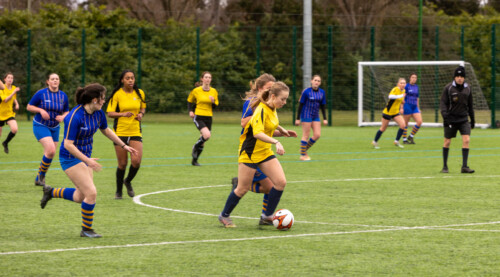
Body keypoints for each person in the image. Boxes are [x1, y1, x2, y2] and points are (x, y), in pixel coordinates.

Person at [40, 83, 138, 238]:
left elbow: (106, 130)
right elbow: (68, 144)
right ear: (94, 100)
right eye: (102, 98)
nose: (104, 101)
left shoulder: (98, 113)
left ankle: (51, 192)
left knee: (81, 197)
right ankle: (86, 229)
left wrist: (124, 145)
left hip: (85, 158)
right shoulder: (75, 116)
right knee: (91, 193)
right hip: (70, 158)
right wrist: (88, 160)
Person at [218, 81, 296, 228]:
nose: (285, 102)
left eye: (286, 99)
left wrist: (283, 131)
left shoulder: (272, 107)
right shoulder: (260, 109)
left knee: (280, 182)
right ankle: (224, 215)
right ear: (273, 96)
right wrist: (276, 142)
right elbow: (257, 133)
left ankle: (267, 216)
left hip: (264, 152)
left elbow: (270, 124)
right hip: (250, 152)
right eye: (283, 99)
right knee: (242, 189)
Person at [106, 70, 146, 199]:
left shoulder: (140, 93)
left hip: (135, 131)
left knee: (136, 161)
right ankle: (118, 192)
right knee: (122, 164)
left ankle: (127, 181)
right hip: (120, 133)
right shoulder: (117, 95)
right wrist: (123, 114)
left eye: (132, 78)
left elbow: (143, 108)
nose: (130, 80)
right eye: (127, 78)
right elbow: (110, 113)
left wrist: (141, 114)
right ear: (122, 80)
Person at [27, 73, 69, 186]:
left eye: (57, 79)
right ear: (48, 81)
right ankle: (41, 177)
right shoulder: (41, 93)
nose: (55, 81)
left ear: (59, 81)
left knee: (50, 153)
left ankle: (39, 178)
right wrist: (40, 110)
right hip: (40, 124)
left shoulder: (63, 96)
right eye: (52, 79)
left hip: (55, 127)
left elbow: (66, 111)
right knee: (51, 150)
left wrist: (63, 117)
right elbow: (29, 106)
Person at [439, 66, 475, 174]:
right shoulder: (448, 88)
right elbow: (443, 103)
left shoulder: (468, 88)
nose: (459, 78)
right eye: (457, 76)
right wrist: (445, 116)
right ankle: (445, 166)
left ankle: (464, 167)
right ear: (454, 77)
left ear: (464, 78)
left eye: (461, 76)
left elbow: (470, 105)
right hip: (450, 119)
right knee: (447, 142)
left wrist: (472, 119)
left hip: (463, 119)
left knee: (466, 140)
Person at [187, 71, 219, 166]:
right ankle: (195, 146)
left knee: (203, 140)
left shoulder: (214, 91)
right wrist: (190, 111)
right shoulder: (196, 90)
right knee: (207, 135)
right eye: (206, 77)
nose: (208, 79)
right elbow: (189, 101)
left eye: (209, 77)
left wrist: (213, 102)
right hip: (199, 116)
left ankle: (194, 161)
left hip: (209, 117)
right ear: (202, 79)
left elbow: (215, 107)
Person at [294, 75, 328, 160]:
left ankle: (303, 150)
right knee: (306, 135)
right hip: (306, 114)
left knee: (317, 135)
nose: (317, 82)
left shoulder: (322, 92)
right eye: (315, 80)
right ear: (311, 81)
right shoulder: (306, 92)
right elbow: (300, 105)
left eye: (318, 81)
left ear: (320, 83)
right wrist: (298, 118)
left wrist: (325, 118)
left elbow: (323, 106)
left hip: (315, 115)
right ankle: (303, 155)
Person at [371, 78, 407, 149]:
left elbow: (401, 101)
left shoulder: (404, 91)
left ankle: (396, 141)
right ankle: (375, 142)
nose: (403, 84)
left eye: (404, 83)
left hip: (396, 112)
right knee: (383, 128)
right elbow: (390, 96)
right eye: (401, 83)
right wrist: (401, 96)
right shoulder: (395, 89)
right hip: (388, 112)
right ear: (398, 84)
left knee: (403, 125)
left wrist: (402, 107)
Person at [0, 73, 20, 154]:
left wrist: (17, 103)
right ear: (4, 79)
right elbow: (5, 100)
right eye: (8, 77)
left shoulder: (13, 88)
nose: (10, 79)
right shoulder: (1, 88)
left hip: (9, 114)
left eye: (12, 78)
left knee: (14, 129)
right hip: (0, 114)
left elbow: (13, 97)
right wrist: (13, 92)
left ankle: (5, 142)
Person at [402, 73, 423, 144]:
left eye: (415, 77)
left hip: (414, 107)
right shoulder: (406, 86)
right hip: (407, 105)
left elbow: (417, 98)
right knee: (405, 123)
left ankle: (411, 136)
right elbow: (402, 97)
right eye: (412, 77)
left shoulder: (417, 87)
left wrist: (418, 108)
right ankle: (404, 139)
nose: (414, 79)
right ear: (410, 78)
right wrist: (401, 107)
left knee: (419, 122)